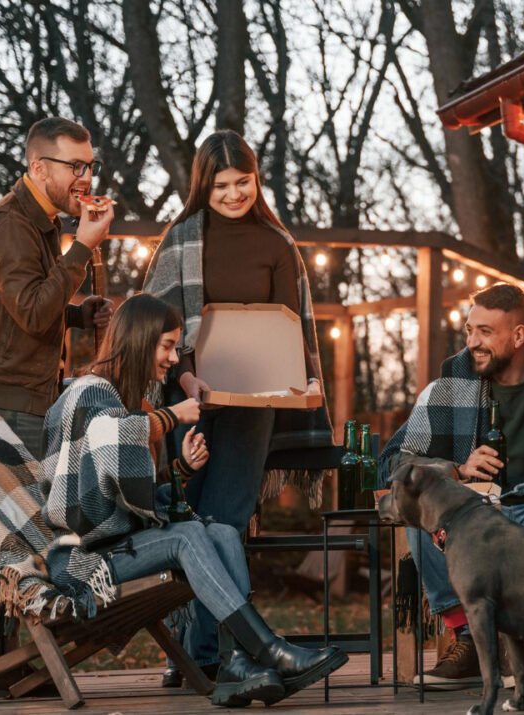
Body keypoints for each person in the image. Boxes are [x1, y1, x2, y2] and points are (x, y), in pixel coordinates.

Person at [39, 294, 347, 707]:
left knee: (220, 529)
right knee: (185, 538)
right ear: (139, 340)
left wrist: (182, 468)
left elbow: (129, 492)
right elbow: (106, 441)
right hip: (81, 559)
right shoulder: (89, 393)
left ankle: (235, 662)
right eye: (166, 346)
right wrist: (172, 416)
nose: (172, 359)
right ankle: (268, 649)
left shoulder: (120, 401)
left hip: (114, 544)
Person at [142, 129, 334, 681]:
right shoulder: (180, 239)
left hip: (254, 402)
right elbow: (156, 321)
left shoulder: (278, 243)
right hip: (190, 400)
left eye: (242, 182)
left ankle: (208, 655)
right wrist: (184, 376)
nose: (233, 194)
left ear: (256, 180)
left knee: (226, 520)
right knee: (187, 519)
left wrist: (298, 380)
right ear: (204, 185)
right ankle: (192, 653)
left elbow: (286, 324)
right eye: (221, 184)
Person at [377, 283, 524, 688]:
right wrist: (456, 468)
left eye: (485, 332)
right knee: (419, 501)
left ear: (518, 335)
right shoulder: (448, 389)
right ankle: (472, 640)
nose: (473, 342)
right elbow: (395, 464)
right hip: (474, 521)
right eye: (469, 330)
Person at [0, 116, 114, 461]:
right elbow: (33, 314)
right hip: (5, 408)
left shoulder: (43, 221)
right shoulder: (9, 226)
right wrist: (83, 247)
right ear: (39, 168)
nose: (86, 177)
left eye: (90, 166)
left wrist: (75, 315)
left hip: (26, 400)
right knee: (21, 515)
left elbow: (15, 309)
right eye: (75, 166)